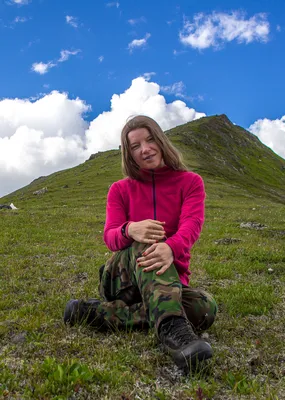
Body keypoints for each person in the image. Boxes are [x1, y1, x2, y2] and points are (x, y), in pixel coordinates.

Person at [64, 115, 217, 371]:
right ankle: (174, 333)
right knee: (148, 241)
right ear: (130, 155)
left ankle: (92, 313)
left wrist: (171, 248)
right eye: (135, 146)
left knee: (204, 308)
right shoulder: (120, 189)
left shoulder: (191, 182)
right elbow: (110, 236)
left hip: (168, 282)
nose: (145, 149)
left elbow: (192, 225)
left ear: (161, 140)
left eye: (149, 140)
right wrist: (130, 229)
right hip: (121, 279)